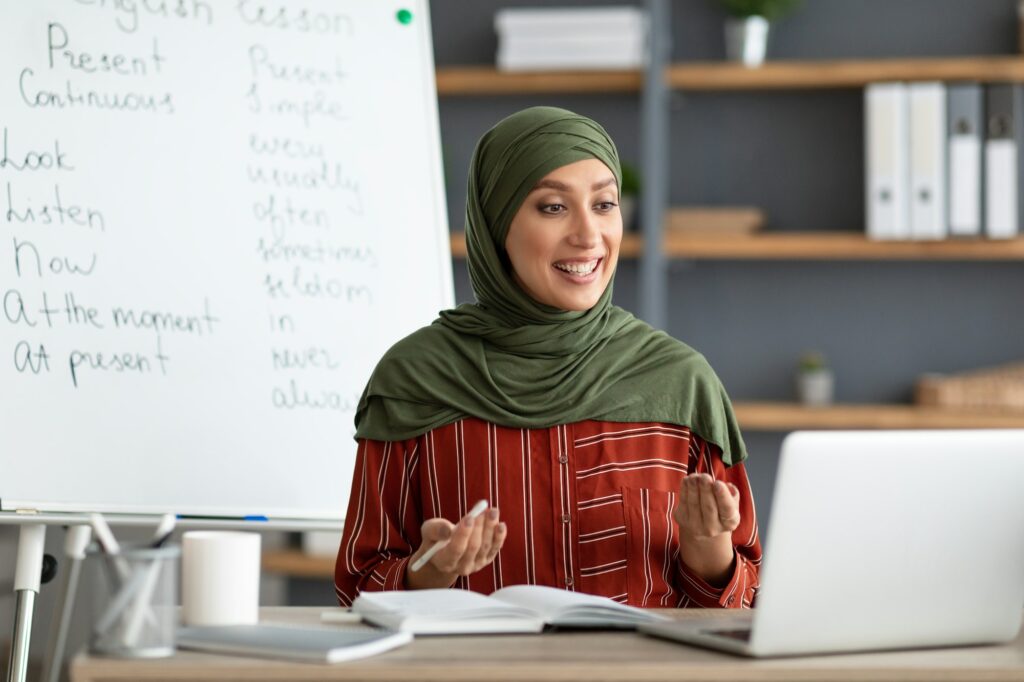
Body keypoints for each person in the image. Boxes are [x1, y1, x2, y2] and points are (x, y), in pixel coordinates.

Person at [335, 106, 760, 609]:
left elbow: (744, 596)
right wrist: (431, 572)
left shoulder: (680, 380)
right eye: (553, 207)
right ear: (496, 225)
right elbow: (358, 586)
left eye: (604, 204)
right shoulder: (414, 379)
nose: (588, 235)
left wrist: (707, 548)